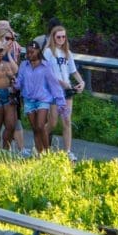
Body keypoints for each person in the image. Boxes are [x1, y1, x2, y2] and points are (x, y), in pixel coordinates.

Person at [14, 41, 67, 154]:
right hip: (28, 100)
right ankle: (39, 153)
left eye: (32, 52)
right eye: (28, 53)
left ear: (38, 51)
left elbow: (54, 84)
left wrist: (60, 101)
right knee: (35, 128)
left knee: (40, 125)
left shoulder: (46, 65)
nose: (29, 55)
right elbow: (19, 82)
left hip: (43, 99)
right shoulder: (24, 65)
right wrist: (14, 83)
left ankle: (47, 152)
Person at [44, 26, 86, 160]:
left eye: (63, 36)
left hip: (67, 91)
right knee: (53, 122)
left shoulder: (67, 53)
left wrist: (81, 82)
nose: (61, 39)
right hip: (54, 90)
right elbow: (46, 73)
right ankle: (39, 143)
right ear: (53, 37)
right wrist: (60, 82)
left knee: (67, 120)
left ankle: (67, 151)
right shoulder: (48, 52)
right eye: (58, 37)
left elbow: (73, 71)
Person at [0, 20, 30, 156]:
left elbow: (16, 69)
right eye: (5, 37)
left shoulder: (15, 47)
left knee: (15, 120)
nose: (8, 40)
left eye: (10, 37)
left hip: (12, 89)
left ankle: (19, 150)